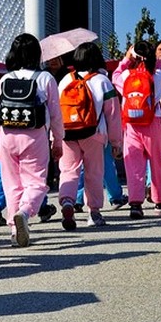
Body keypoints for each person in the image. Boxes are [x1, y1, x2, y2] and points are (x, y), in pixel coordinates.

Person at [0, 33, 63, 247]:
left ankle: (14, 229)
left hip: (7, 136)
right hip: (35, 136)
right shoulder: (46, 79)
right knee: (37, 182)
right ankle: (25, 212)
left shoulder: (5, 79)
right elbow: (56, 114)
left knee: (12, 185)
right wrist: (58, 141)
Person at [58, 42, 122, 229]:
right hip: (94, 134)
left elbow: (56, 109)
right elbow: (113, 115)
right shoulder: (103, 81)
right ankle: (93, 212)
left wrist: (55, 137)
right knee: (94, 173)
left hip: (67, 133)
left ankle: (68, 201)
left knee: (69, 171)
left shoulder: (65, 80)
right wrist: (116, 142)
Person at [113, 40, 161, 218]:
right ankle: (160, 200)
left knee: (134, 166)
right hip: (153, 121)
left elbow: (115, 75)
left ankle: (136, 204)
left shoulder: (125, 76)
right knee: (157, 163)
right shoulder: (159, 75)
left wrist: (126, 58)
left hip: (131, 123)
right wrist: (155, 58)